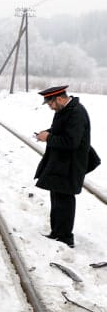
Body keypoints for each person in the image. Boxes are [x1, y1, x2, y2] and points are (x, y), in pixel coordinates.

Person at [34, 85, 91, 248]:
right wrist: (46, 132)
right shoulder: (65, 110)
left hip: (70, 166)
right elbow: (60, 130)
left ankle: (66, 237)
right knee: (57, 197)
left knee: (65, 200)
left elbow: (72, 142)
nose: (50, 107)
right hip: (60, 164)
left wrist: (49, 138)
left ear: (59, 99)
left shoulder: (77, 113)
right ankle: (56, 233)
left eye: (50, 103)